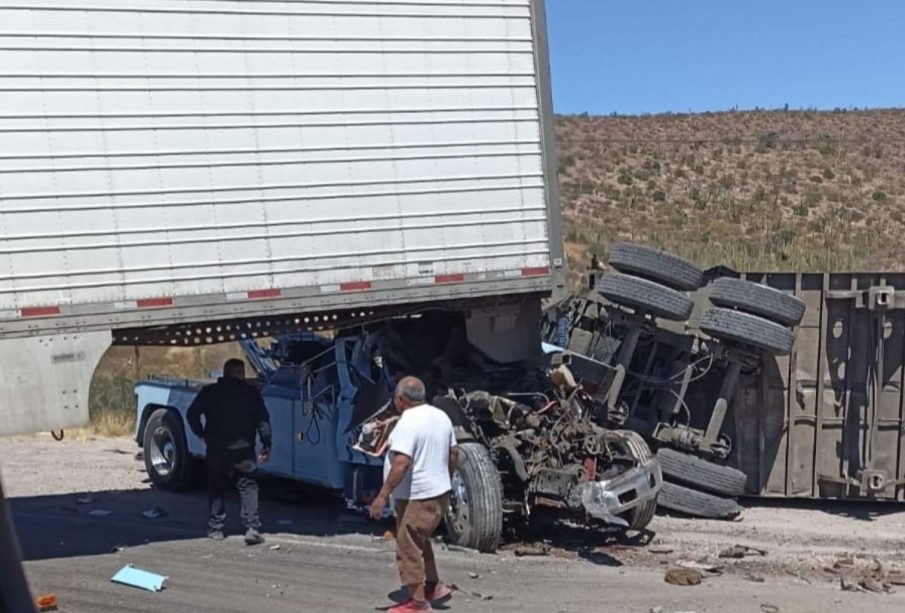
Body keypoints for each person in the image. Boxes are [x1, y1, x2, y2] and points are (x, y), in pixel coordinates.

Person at [370, 377, 458, 613]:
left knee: (407, 548)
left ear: (400, 399)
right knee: (421, 541)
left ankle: (418, 603)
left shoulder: (408, 423)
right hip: (439, 493)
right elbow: (453, 454)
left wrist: (381, 497)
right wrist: (445, 479)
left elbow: (401, 463)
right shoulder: (441, 416)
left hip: (418, 497)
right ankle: (433, 586)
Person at [187, 358, 271, 545]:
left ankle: (216, 528)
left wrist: (200, 434)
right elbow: (263, 422)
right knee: (248, 485)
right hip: (244, 449)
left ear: (224, 373)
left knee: (216, 487)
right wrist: (266, 445)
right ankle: (251, 527)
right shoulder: (252, 394)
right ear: (241, 373)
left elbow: (191, 414)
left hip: (216, 448)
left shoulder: (209, 392)